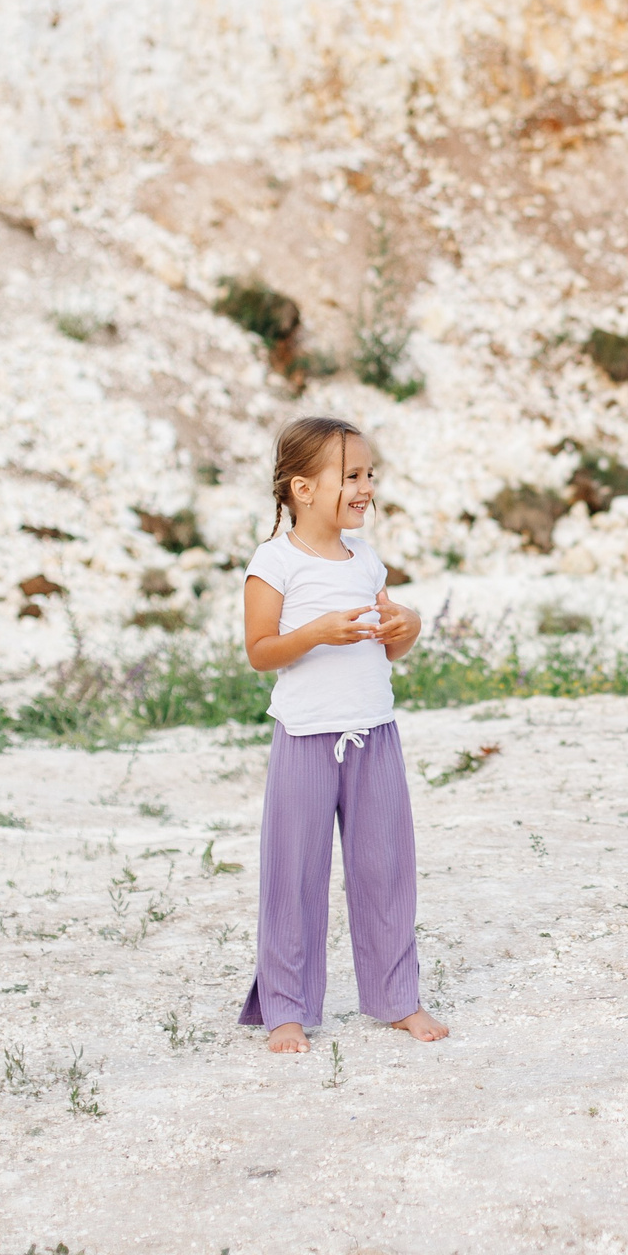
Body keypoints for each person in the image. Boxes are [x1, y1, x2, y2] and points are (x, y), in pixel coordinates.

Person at [237, 416, 441, 1050]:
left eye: (369, 474)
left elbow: (386, 651)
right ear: (302, 487)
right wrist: (315, 634)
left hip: (374, 734)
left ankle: (397, 997)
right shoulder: (274, 562)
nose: (365, 487)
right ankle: (287, 1007)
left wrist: (405, 627)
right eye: (351, 475)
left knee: (385, 869)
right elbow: (260, 651)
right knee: (294, 874)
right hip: (305, 737)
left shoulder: (367, 561)